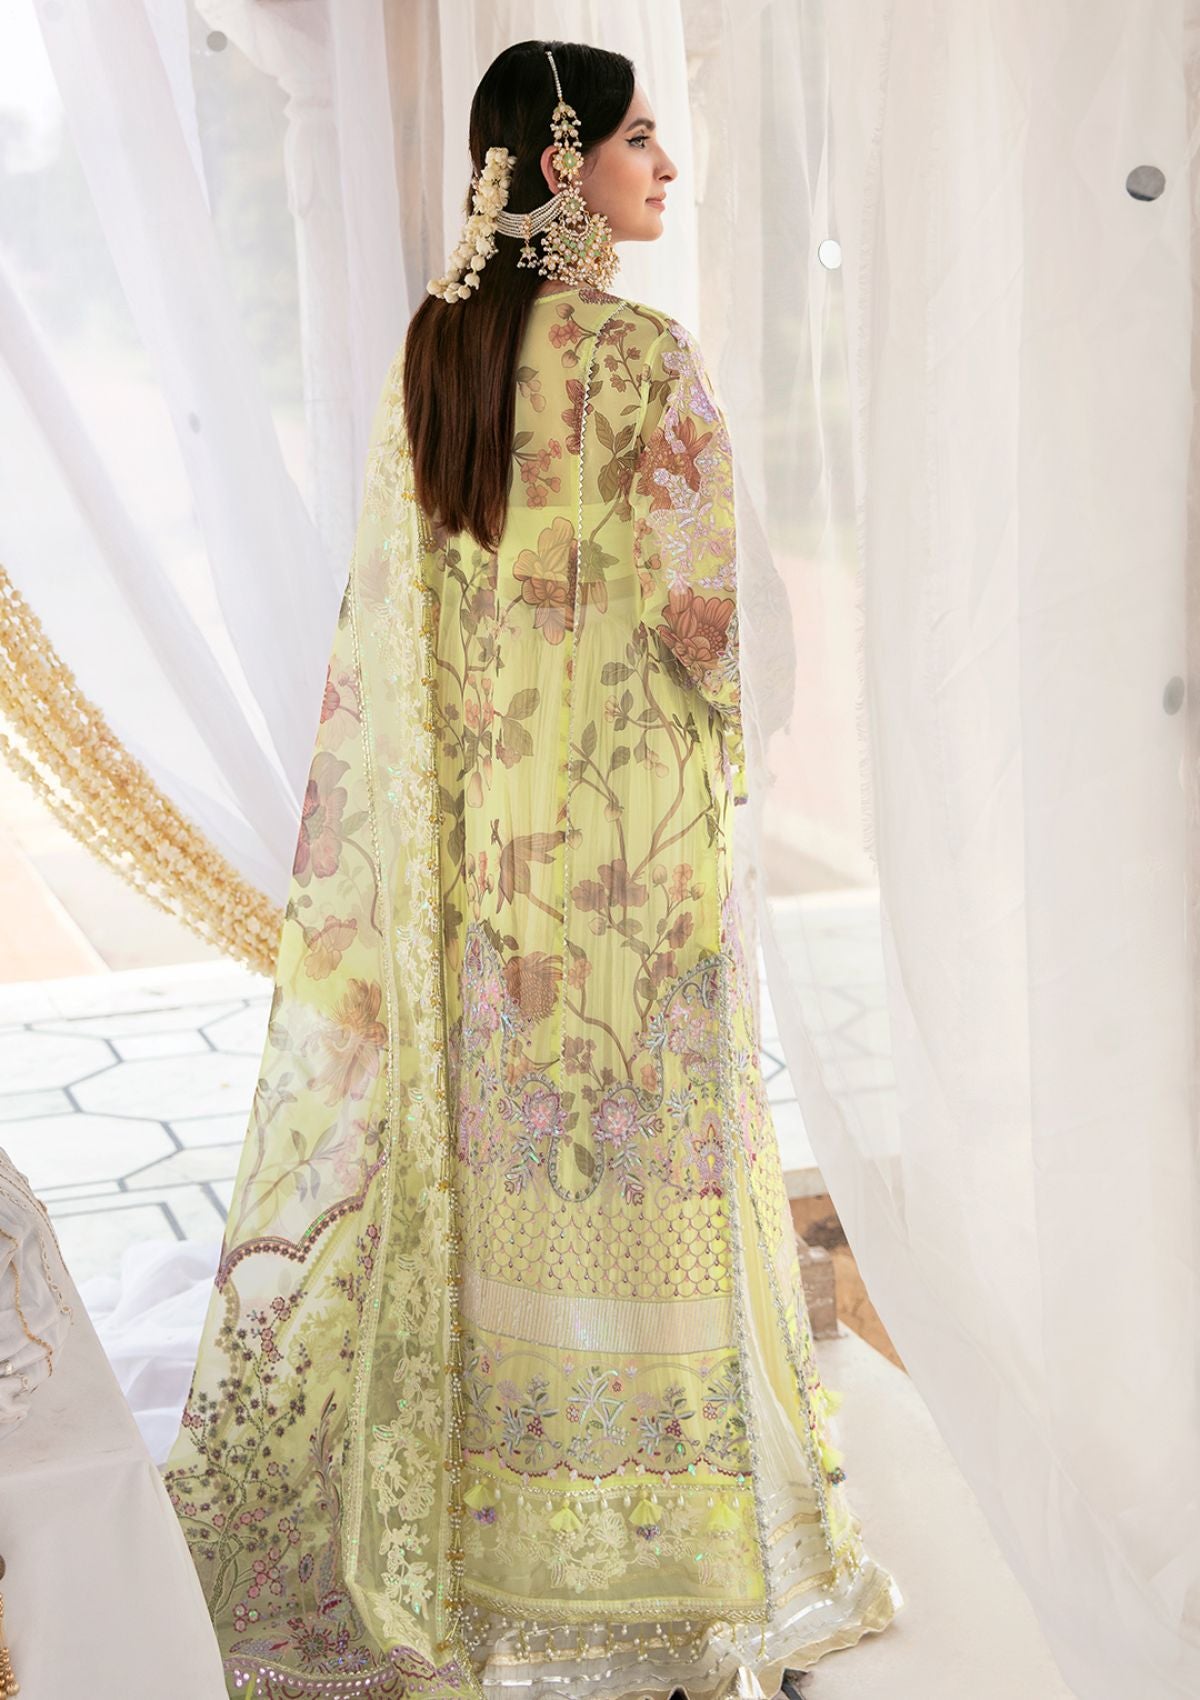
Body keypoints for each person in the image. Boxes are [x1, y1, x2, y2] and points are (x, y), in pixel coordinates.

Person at [162, 37, 902, 1700]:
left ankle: (497, 1515)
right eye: (641, 140)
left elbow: (395, 624)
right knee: (648, 1144)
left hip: (490, 852)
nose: (666, 168)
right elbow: (709, 622)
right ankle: (663, 1531)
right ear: (565, 163)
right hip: (634, 859)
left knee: (513, 1154)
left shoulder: (438, 352)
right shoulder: (641, 359)